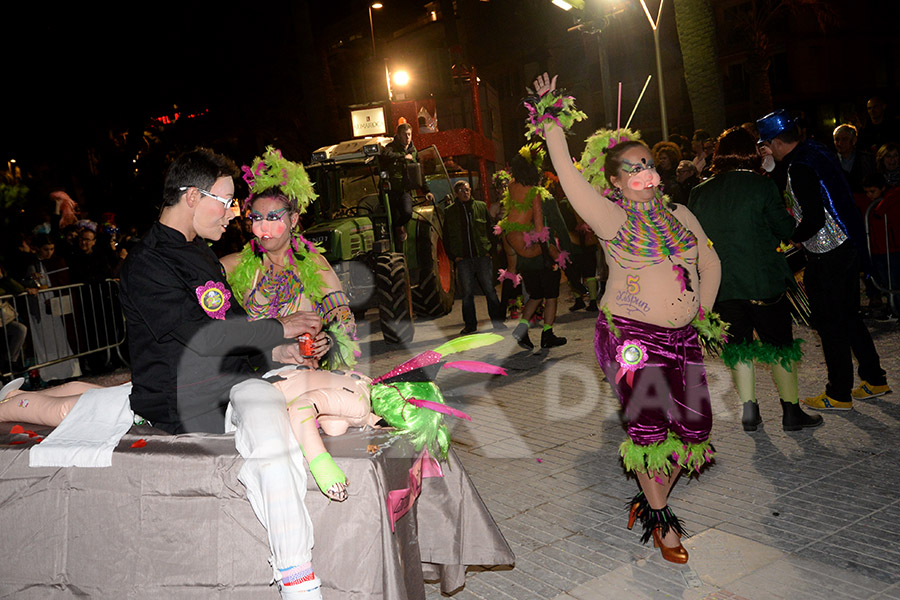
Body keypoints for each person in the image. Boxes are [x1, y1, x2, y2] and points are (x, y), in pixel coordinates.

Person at [119, 147, 329, 598]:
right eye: (227, 201)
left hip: (229, 385)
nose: (233, 214)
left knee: (305, 404)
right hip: (186, 400)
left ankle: (296, 570)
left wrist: (283, 353)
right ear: (192, 196)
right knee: (269, 429)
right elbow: (199, 340)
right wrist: (277, 327)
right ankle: (298, 579)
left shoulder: (202, 257)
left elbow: (231, 333)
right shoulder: (147, 263)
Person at [531, 73, 721, 564]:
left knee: (696, 430)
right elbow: (569, 179)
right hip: (632, 337)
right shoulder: (611, 218)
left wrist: (701, 310)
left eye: (650, 165)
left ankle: (650, 497)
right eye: (633, 168)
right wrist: (551, 121)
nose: (646, 174)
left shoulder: (679, 212)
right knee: (650, 430)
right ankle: (661, 521)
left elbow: (709, 262)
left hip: (684, 339)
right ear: (614, 181)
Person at [688, 126, 822, 432]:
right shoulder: (760, 186)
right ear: (752, 152)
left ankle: (750, 412)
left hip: (721, 286)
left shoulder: (699, 192)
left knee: (738, 347)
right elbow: (786, 230)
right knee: (780, 346)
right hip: (764, 282)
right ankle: (791, 412)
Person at [756, 109, 891, 412]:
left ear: (775, 142)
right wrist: (774, 168)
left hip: (827, 252)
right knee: (849, 316)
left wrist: (792, 237)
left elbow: (813, 216)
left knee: (830, 324)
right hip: (844, 247)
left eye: (765, 145)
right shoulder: (812, 151)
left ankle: (839, 392)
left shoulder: (800, 165)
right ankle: (874, 378)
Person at [222, 147, 359, 371]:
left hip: (306, 380)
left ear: (293, 220)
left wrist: (331, 340)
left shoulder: (314, 265)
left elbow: (344, 320)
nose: (264, 226)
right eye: (257, 218)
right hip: (257, 381)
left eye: (274, 217)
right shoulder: (234, 265)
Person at [498, 146, 569, 350]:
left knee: (535, 294)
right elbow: (539, 229)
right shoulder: (536, 192)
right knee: (551, 294)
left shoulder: (511, 185)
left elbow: (511, 209)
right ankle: (547, 334)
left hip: (508, 235)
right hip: (527, 245)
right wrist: (554, 251)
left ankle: (520, 331)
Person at [443, 180, 506, 334]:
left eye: (467, 190)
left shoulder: (480, 206)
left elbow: (489, 229)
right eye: (462, 191)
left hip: (481, 256)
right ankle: (470, 325)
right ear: (456, 194)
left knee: (489, 290)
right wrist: (453, 256)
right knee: (467, 294)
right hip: (463, 259)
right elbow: (446, 237)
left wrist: (490, 251)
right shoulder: (450, 212)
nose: (466, 193)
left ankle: (498, 323)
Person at [22, 233, 82, 383]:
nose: (49, 252)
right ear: (37, 249)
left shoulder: (57, 261)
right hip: (39, 308)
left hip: (56, 307)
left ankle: (67, 371)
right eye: (46, 249)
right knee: (44, 340)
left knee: (60, 338)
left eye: (52, 249)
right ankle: (48, 374)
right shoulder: (30, 263)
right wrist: (31, 282)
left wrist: (51, 290)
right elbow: (24, 281)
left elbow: (62, 282)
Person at [381, 122, 431, 244]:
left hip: (405, 191)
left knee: (407, 213)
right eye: (405, 135)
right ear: (398, 136)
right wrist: (402, 157)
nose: (408, 137)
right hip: (391, 192)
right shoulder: (390, 148)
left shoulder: (413, 151)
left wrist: (427, 191)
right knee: (389, 217)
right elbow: (385, 154)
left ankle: (399, 227)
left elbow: (420, 173)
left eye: (409, 134)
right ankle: (395, 240)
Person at [863, 173, 900, 318]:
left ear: (882, 188)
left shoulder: (891, 197)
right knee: (884, 280)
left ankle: (896, 307)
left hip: (892, 247)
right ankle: (892, 306)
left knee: (895, 280)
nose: (870, 195)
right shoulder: (869, 202)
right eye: (867, 192)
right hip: (877, 249)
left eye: (872, 191)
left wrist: (881, 207)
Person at [833, 124, 875, 193]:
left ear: (854, 140)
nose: (840, 143)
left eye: (844, 139)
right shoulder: (830, 161)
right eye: (837, 140)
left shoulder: (867, 160)